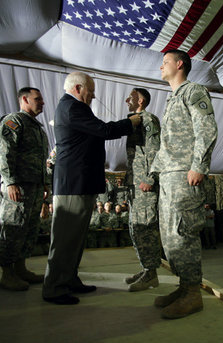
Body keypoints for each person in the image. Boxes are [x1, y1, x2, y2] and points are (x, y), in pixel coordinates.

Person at [42, 72, 141, 305]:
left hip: (80, 183)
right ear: (78, 88)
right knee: (65, 240)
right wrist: (131, 123)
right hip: (73, 185)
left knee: (75, 238)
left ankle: (69, 279)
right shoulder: (71, 108)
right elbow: (104, 131)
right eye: (91, 90)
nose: (94, 95)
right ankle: (54, 287)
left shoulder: (73, 108)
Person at [150, 49, 218, 319]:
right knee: (169, 236)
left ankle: (192, 293)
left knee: (182, 232)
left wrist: (199, 165)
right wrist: (154, 173)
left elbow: (206, 128)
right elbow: (167, 144)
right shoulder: (172, 98)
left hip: (184, 174)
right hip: (169, 174)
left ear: (179, 64)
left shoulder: (194, 91)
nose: (160, 67)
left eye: (165, 62)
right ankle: (183, 286)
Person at [0, 87, 49, 291]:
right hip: (17, 187)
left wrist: (44, 183)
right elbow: (4, 152)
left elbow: (41, 159)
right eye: (38, 99)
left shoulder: (36, 127)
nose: (42, 102)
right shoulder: (14, 121)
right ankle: (7, 274)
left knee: (29, 229)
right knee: (13, 227)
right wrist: (10, 182)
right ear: (24, 99)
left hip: (33, 187)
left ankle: (20, 268)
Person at [122, 87, 162, 291]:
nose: (127, 99)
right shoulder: (133, 122)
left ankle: (151, 273)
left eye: (132, 96)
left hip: (145, 185)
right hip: (135, 185)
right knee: (135, 227)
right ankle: (146, 267)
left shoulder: (148, 120)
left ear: (141, 101)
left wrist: (150, 178)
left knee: (145, 228)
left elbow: (155, 150)